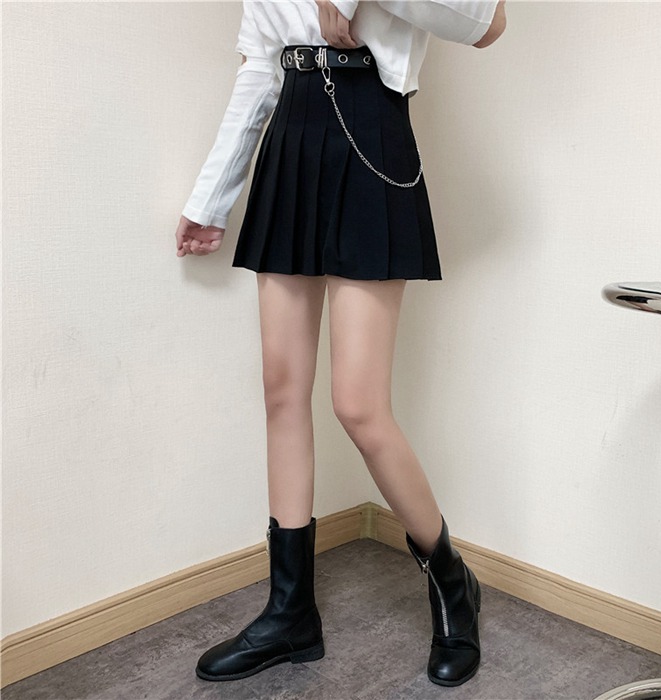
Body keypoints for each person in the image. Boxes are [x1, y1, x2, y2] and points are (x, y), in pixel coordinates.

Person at [175, 0, 507, 687]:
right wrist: (210, 200)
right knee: (281, 390)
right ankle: (290, 613)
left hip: (370, 127)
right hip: (291, 140)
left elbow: (485, 23)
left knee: (358, 406)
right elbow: (259, 69)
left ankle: (451, 579)